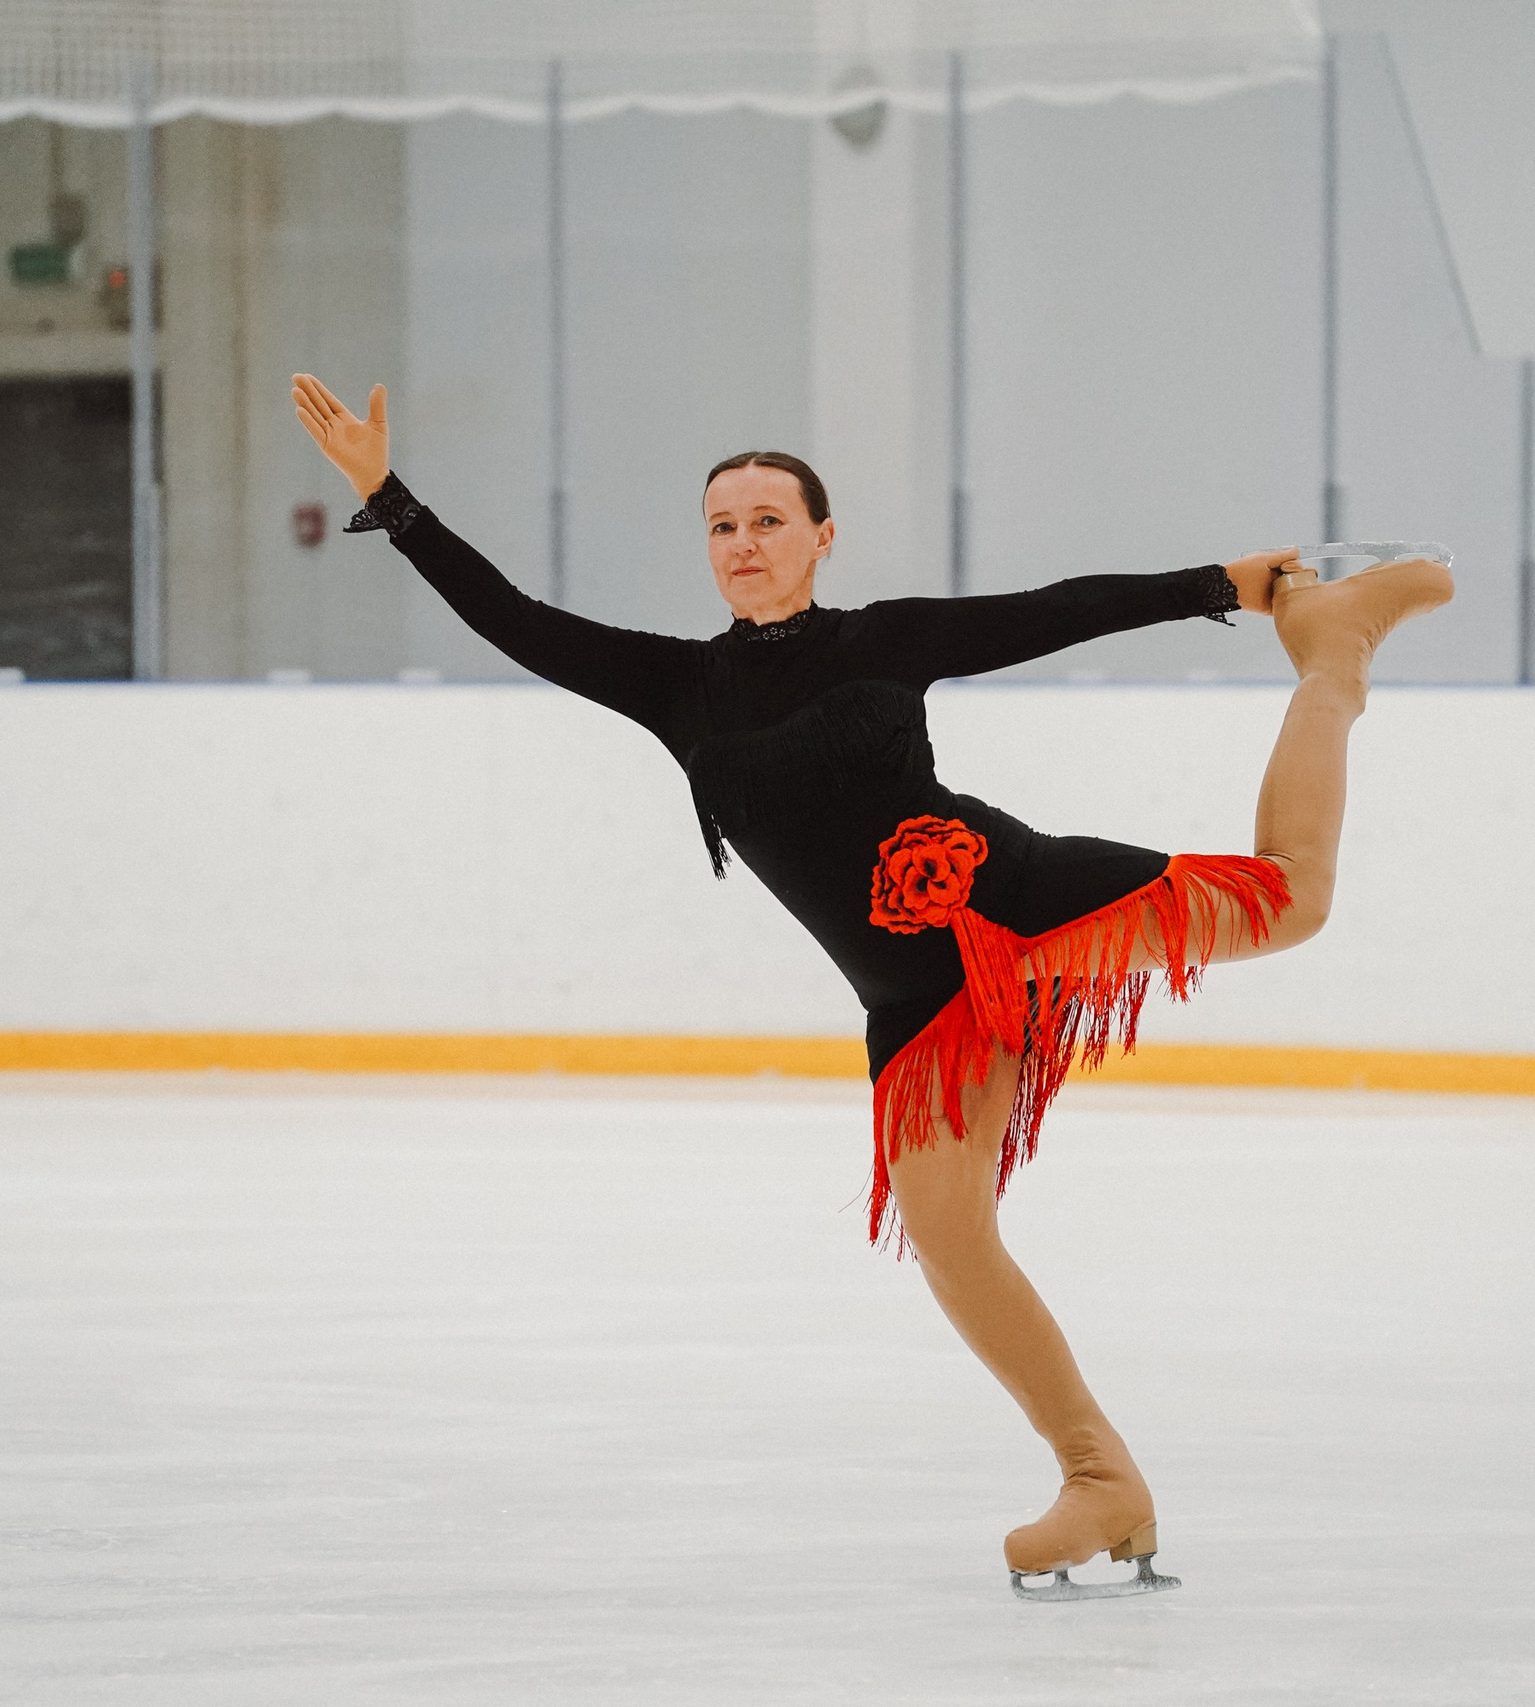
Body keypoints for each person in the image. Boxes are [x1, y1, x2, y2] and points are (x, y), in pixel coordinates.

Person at [291, 373, 1451, 1595]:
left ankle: (1337, 650)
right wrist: (386, 494)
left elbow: (1049, 610)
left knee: (1289, 898)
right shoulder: (676, 688)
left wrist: (1218, 586)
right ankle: (1100, 1479)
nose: (744, 544)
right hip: (911, 1000)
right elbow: (515, 619)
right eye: (722, 526)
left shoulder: (880, 640)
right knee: (947, 1233)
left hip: (1014, 905)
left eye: (769, 520)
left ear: (820, 537)